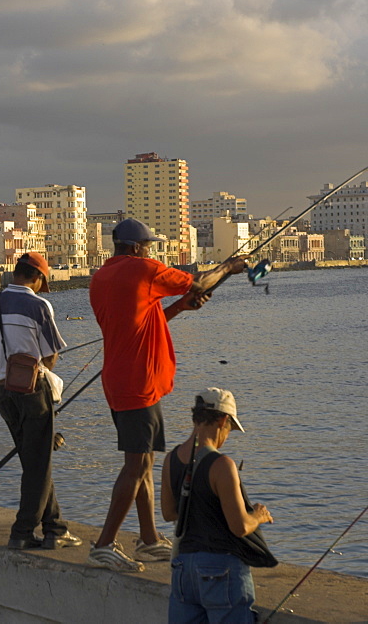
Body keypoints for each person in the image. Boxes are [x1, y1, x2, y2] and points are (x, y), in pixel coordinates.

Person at [87, 218, 249, 572]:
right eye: (147, 246)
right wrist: (229, 268)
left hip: (119, 379)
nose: (149, 251)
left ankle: (148, 539)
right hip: (138, 383)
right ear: (135, 248)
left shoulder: (101, 278)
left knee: (143, 462)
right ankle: (104, 544)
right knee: (135, 467)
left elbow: (141, 321)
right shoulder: (144, 270)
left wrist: (178, 308)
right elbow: (200, 281)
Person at [0, 252, 82, 550]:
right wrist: (30, 368)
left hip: (3, 392)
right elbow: (52, 353)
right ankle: (22, 531)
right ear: (39, 277)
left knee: (34, 460)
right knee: (39, 464)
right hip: (33, 392)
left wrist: (5, 360)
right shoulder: (39, 305)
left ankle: (55, 528)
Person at [161, 388, 276, 622]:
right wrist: (259, 515)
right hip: (220, 568)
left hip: (184, 568)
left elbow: (168, 513)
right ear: (223, 419)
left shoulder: (170, 459)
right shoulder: (222, 465)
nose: (227, 436)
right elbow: (240, 526)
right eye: (230, 429)